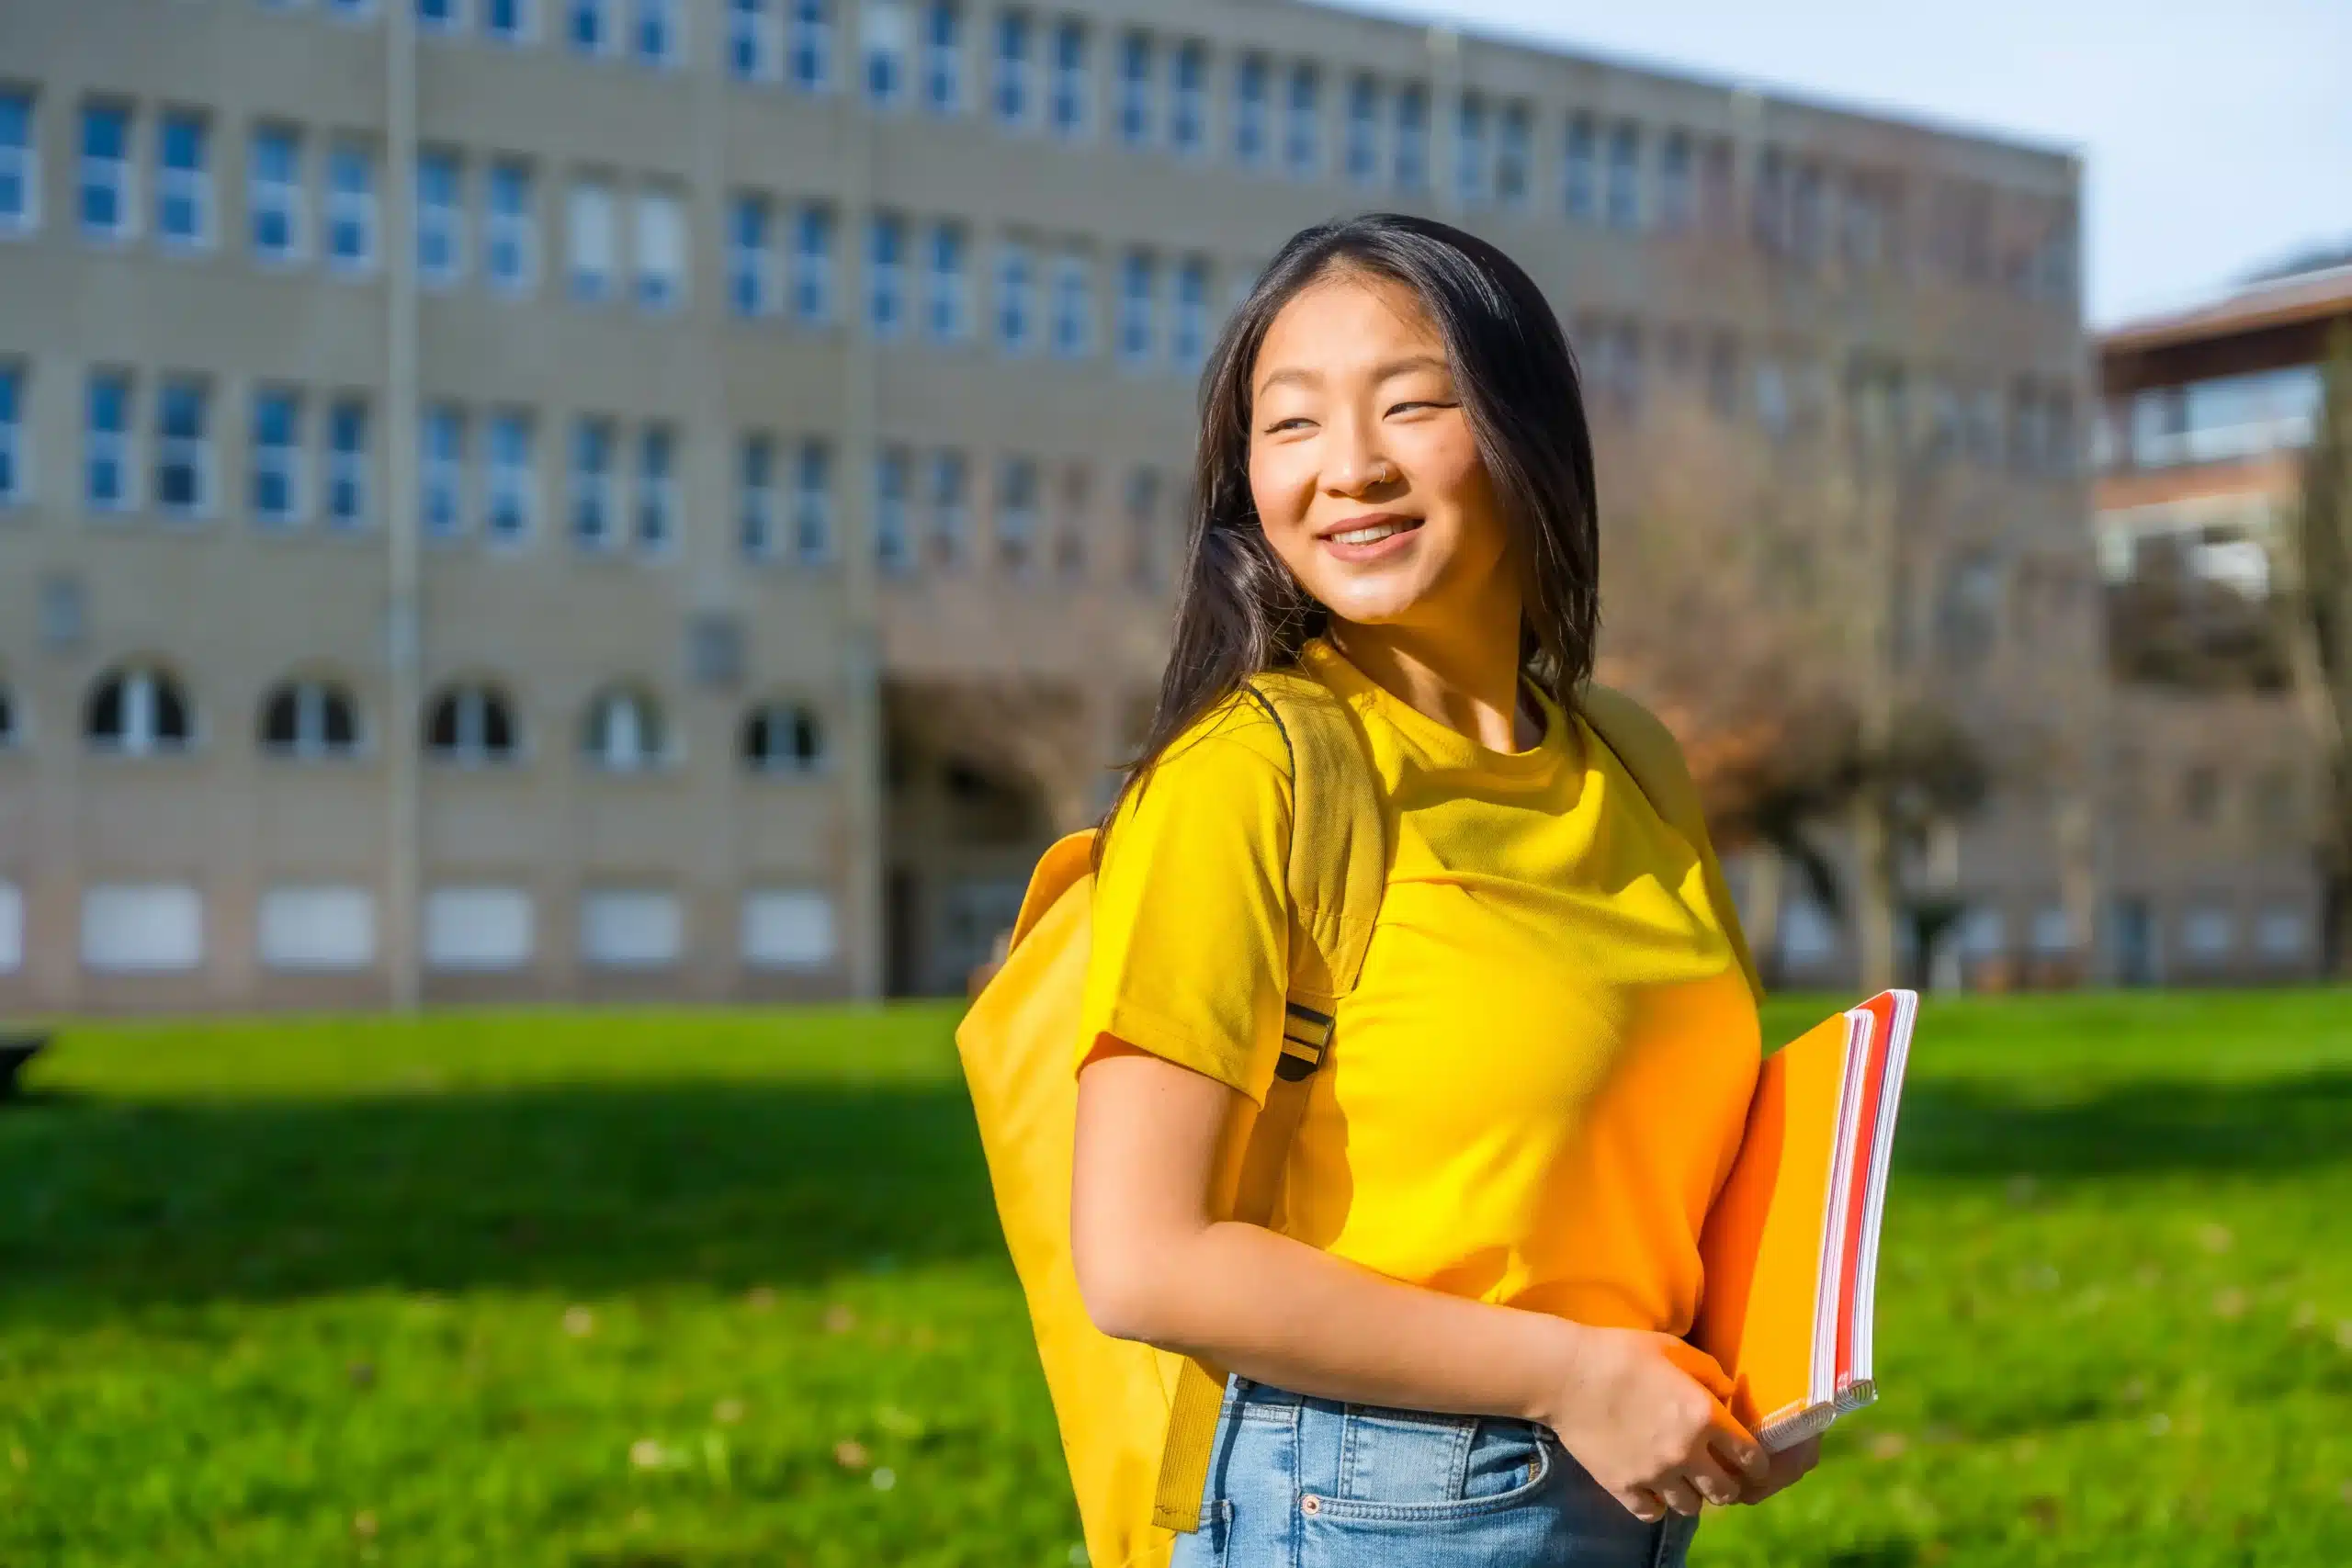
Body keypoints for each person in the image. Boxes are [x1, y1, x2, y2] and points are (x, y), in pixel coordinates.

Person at [1065, 213, 1819, 1566]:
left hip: (1624, 1486)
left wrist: (1739, 1363)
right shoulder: (1252, 776)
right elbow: (1141, 1255)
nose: (1349, 469)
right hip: (1370, 1494)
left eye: (1413, 405)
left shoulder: (1632, 758)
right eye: (1289, 426)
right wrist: (1569, 1375)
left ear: (1526, 432)